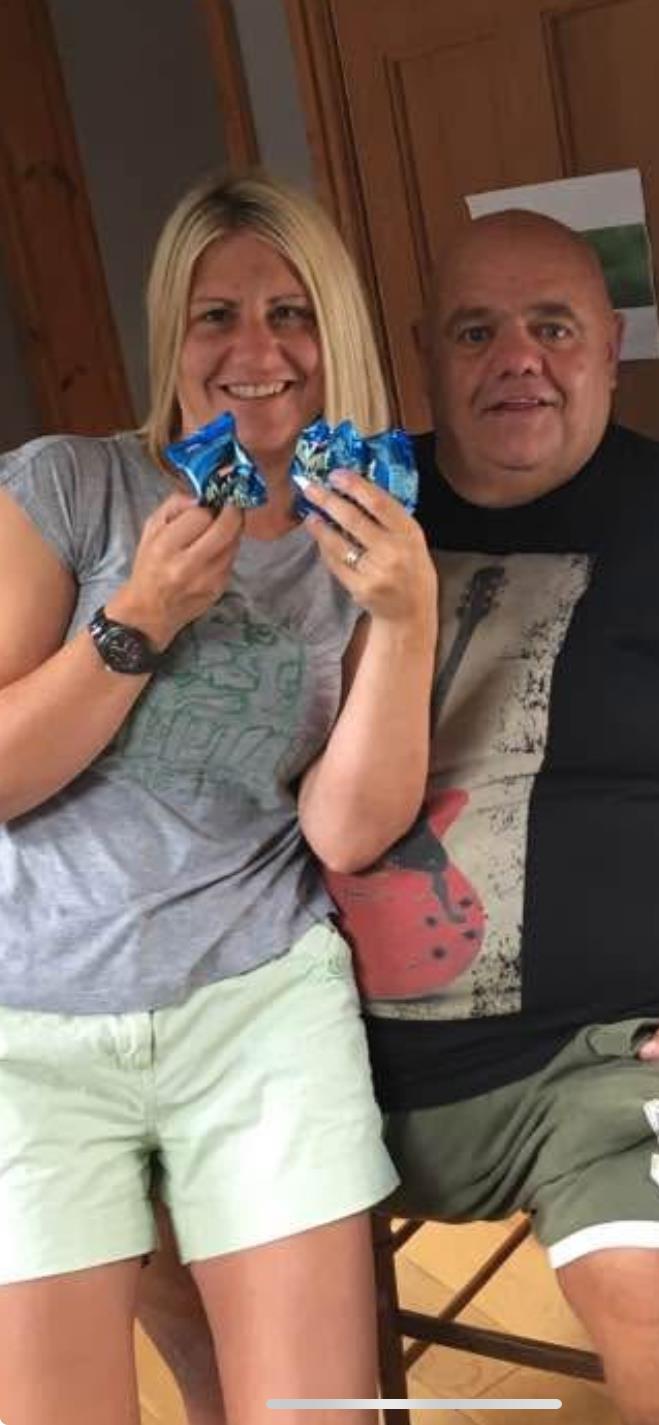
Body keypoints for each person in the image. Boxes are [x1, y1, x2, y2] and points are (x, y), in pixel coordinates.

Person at [139, 209, 659, 1425]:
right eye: (477, 330)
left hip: (613, 1059)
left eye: (553, 327)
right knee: (115, 1188)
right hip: (298, 1049)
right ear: (425, 352)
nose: (518, 358)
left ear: (610, 347)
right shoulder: (327, 516)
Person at [0, 168, 437, 1425]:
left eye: (292, 313)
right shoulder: (69, 490)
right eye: (217, 318)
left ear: (334, 336)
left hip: (253, 1004)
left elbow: (349, 829)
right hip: (33, 1018)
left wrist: (403, 624)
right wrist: (135, 621)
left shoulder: (372, 527)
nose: (259, 353)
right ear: (171, 342)